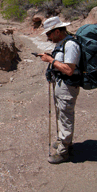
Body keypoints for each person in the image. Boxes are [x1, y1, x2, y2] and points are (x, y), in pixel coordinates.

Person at [38, 16, 81, 164]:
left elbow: (69, 70)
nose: (48, 37)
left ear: (57, 31)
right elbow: (62, 63)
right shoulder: (62, 43)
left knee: (65, 117)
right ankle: (64, 142)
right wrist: (51, 59)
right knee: (61, 114)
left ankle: (64, 152)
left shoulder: (70, 45)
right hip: (61, 85)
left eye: (49, 34)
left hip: (67, 86)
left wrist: (50, 60)